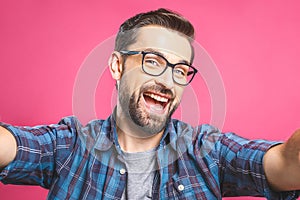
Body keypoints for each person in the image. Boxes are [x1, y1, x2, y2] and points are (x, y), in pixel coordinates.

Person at [0, 8, 299, 200]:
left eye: (180, 70)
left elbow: (287, 163)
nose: (168, 82)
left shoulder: (207, 152)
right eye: (153, 61)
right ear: (117, 66)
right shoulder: (70, 147)